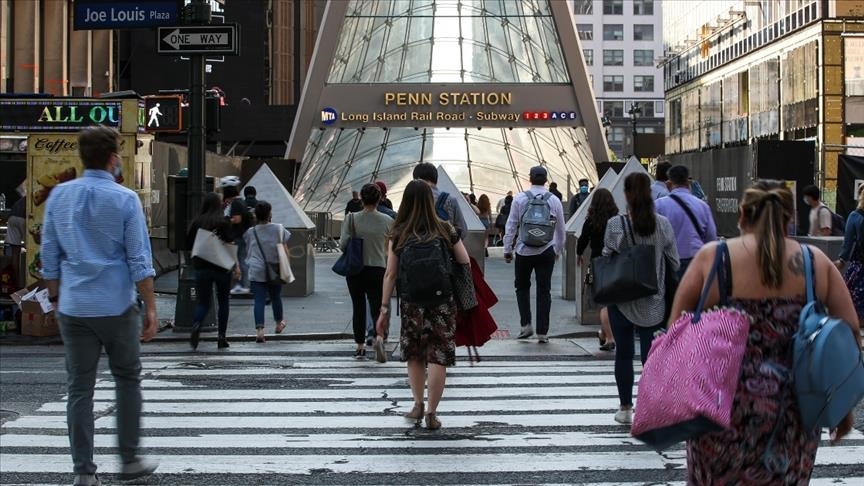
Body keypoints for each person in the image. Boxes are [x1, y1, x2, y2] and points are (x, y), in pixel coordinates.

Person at [674, 180, 859, 483]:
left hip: (719, 410)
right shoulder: (815, 263)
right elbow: (849, 334)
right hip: (793, 413)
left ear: (742, 215)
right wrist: (843, 406)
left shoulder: (714, 259)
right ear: (789, 219)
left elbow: (676, 333)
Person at [40, 126, 159, 485]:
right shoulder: (125, 199)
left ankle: (83, 472)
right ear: (112, 158)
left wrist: (56, 298)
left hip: (74, 306)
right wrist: (151, 308)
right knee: (127, 379)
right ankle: (129, 459)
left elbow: (49, 256)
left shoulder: (60, 196)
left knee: (79, 389)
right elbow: (139, 260)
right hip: (117, 304)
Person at [375, 179, 470, 429]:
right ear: (430, 200)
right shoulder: (445, 228)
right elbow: (464, 260)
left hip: (411, 302)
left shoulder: (400, 232)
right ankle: (432, 413)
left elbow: (390, 274)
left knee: (415, 354)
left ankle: (417, 404)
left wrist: (384, 308)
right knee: (438, 355)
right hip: (442, 301)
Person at [602, 172, 679, 424]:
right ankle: (653, 407)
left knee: (623, 354)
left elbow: (607, 255)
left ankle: (625, 408)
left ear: (626, 194)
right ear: (650, 193)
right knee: (652, 358)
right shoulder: (663, 224)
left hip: (622, 299)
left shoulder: (616, 224)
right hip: (654, 299)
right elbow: (675, 262)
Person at [503, 166, 567, 343]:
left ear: (530, 178)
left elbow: (511, 225)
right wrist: (557, 250)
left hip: (523, 250)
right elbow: (561, 230)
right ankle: (542, 332)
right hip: (546, 250)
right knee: (544, 290)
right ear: (546, 180)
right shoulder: (554, 200)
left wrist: (507, 249)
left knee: (522, 287)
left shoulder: (520, 198)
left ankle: (526, 325)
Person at [342, 183, 393, 359]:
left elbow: (343, 245)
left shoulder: (351, 219)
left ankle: (360, 345)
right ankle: (379, 337)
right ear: (379, 200)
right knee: (377, 307)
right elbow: (393, 247)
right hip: (378, 268)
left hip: (355, 269)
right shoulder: (388, 221)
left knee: (358, 307)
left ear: (361, 200)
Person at [187, 192, 241, 350]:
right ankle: (221, 337)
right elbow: (230, 243)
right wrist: (236, 266)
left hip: (202, 266)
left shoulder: (197, 222)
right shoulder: (223, 222)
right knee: (223, 301)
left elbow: (189, 243)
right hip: (221, 267)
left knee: (203, 302)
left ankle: (197, 324)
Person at [655, 165, 717, 278]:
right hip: (696, 261)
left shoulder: (658, 205)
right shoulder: (703, 206)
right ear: (688, 182)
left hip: (668, 263)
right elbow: (711, 238)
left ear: (669, 183)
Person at [576, 188, 619, 351]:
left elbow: (583, 240)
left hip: (597, 263)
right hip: (615, 262)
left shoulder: (591, 220)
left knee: (603, 303)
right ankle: (603, 333)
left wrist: (579, 254)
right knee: (612, 301)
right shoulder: (617, 219)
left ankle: (609, 338)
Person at [244, 201, 290, 344]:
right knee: (276, 297)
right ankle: (278, 324)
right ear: (270, 214)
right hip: (274, 268)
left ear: (256, 216)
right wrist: (287, 265)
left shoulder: (250, 232)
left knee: (259, 300)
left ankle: (259, 331)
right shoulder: (279, 229)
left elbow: (248, 249)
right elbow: (285, 249)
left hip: (256, 269)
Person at [413, 162, 468, 238]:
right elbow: (463, 231)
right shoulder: (450, 200)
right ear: (436, 179)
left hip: (415, 244)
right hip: (444, 244)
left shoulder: (411, 199)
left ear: (417, 179)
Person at [836, 183, 864, 324]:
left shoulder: (855, 217)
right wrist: (842, 260)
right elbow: (848, 242)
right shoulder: (855, 216)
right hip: (860, 266)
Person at [220, 178, 252, 295]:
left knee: (239, 260)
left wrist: (225, 221)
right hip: (242, 235)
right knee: (241, 260)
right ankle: (241, 284)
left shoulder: (236, 203)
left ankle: (242, 285)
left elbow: (237, 219)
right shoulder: (241, 201)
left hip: (238, 236)